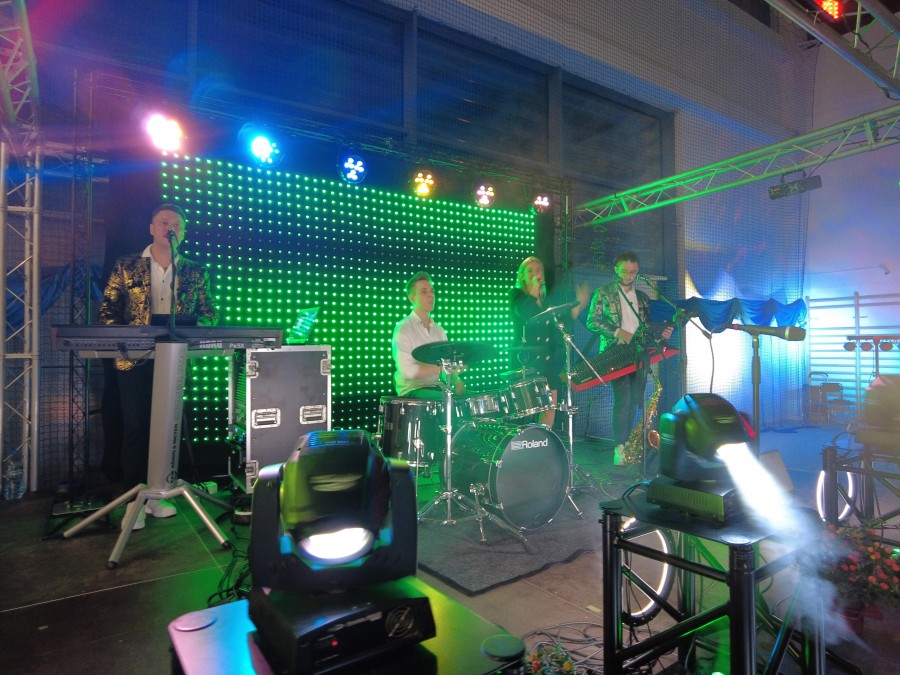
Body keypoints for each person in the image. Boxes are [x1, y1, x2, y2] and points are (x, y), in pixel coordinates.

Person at [99, 204, 219, 527]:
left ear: (184, 233)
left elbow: (209, 313)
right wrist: (126, 338)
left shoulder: (195, 271)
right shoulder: (127, 265)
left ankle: (157, 495)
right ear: (152, 228)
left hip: (174, 360)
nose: (170, 228)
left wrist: (196, 329)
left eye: (177, 224)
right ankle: (133, 501)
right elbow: (107, 311)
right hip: (134, 360)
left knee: (168, 428)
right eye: (164, 222)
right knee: (137, 427)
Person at [586, 251, 673, 465]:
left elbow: (647, 326)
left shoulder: (642, 297)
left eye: (633, 272)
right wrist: (617, 331)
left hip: (639, 353)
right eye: (624, 271)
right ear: (616, 269)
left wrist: (661, 333)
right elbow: (591, 321)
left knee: (635, 400)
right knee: (623, 399)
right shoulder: (603, 293)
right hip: (615, 353)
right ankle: (619, 447)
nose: (628, 275)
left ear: (638, 272)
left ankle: (630, 444)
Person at [510, 256, 589, 428]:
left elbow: (559, 322)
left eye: (538, 270)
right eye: (530, 271)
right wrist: (534, 289)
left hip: (548, 362)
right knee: (529, 410)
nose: (535, 274)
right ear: (522, 276)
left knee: (549, 408)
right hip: (528, 362)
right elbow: (526, 313)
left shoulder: (546, 300)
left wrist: (578, 306)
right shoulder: (517, 296)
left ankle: (543, 439)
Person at [392, 271, 464, 400]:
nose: (431, 295)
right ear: (412, 298)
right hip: (413, 391)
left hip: (438, 388)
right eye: (424, 292)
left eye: (432, 291)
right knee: (449, 402)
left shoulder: (439, 330)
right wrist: (442, 368)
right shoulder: (403, 328)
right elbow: (409, 371)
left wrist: (457, 380)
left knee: (471, 398)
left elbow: (447, 362)